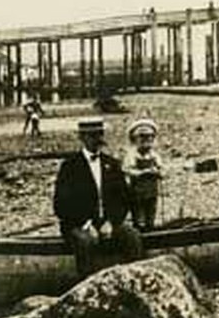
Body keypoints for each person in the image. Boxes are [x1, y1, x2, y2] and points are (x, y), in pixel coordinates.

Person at [53, 118, 137, 276]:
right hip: (78, 224)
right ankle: (86, 289)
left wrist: (111, 222)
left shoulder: (111, 164)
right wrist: (86, 224)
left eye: (99, 134)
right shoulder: (70, 166)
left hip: (108, 221)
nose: (97, 139)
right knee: (86, 242)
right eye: (91, 135)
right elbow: (61, 205)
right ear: (82, 138)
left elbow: (124, 199)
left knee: (132, 236)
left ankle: (135, 281)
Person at [123, 118, 164, 231]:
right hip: (137, 192)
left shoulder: (154, 155)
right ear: (135, 139)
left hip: (152, 191)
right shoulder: (131, 155)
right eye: (142, 137)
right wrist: (142, 173)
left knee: (151, 215)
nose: (147, 139)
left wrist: (158, 172)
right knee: (139, 217)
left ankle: (151, 232)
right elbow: (127, 170)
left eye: (150, 136)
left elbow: (162, 169)